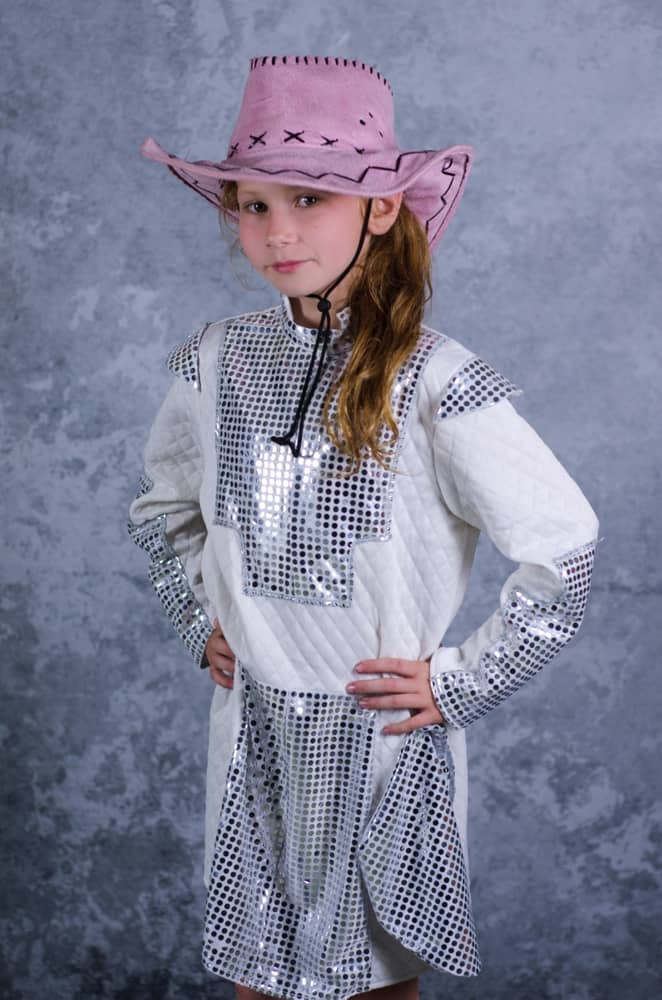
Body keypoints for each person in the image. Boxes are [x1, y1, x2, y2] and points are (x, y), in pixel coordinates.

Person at [129, 55, 600, 1000]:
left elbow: (565, 549)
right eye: (254, 205)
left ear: (381, 208)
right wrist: (201, 620)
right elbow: (162, 510)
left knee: (377, 985)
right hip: (255, 739)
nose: (277, 231)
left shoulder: (437, 381)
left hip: (380, 749)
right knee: (259, 981)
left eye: (309, 199)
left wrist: (458, 681)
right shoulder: (216, 362)